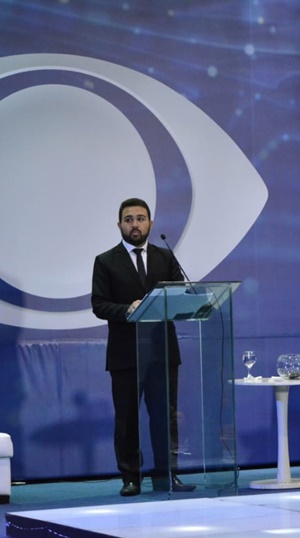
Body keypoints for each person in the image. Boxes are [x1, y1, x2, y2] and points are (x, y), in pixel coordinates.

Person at [91, 197, 195, 496]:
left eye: (140, 218)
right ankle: (131, 478)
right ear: (119, 225)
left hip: (162, 352)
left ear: (150, 223)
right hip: (126, 354)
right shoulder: (106, 261)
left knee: (165, 417)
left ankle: (167, 475)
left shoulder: (166, 257)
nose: (134, 224)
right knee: (127, 419)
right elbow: (99, 304)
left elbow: (180, 295)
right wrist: (128, 309)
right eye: (129, 219)